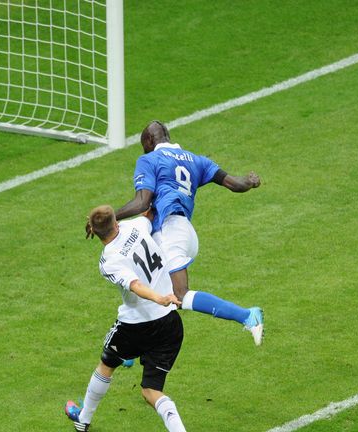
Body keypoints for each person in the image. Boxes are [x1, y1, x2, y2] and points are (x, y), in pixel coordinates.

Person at [108, 120, 264, 344]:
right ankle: (129, 348)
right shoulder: (197, 160)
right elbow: (234, 184)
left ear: (150, 141)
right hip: (185, 233)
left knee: (179, 296)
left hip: (171, 232)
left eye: (143, 145)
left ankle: (248, 316)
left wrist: (110, 218)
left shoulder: (149, 159)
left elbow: (142, 203)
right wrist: (249, 181)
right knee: (148, 283)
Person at [65, 205, 188, 432]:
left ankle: (83, 420)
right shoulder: (136, 225)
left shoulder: (108, 260)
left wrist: (158, 298)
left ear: (92, 229)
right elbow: (149, 214)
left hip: (136, 326)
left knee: (107, 363)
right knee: (151, 391)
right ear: (116, 221)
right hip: (170, 323)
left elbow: (135, 285)